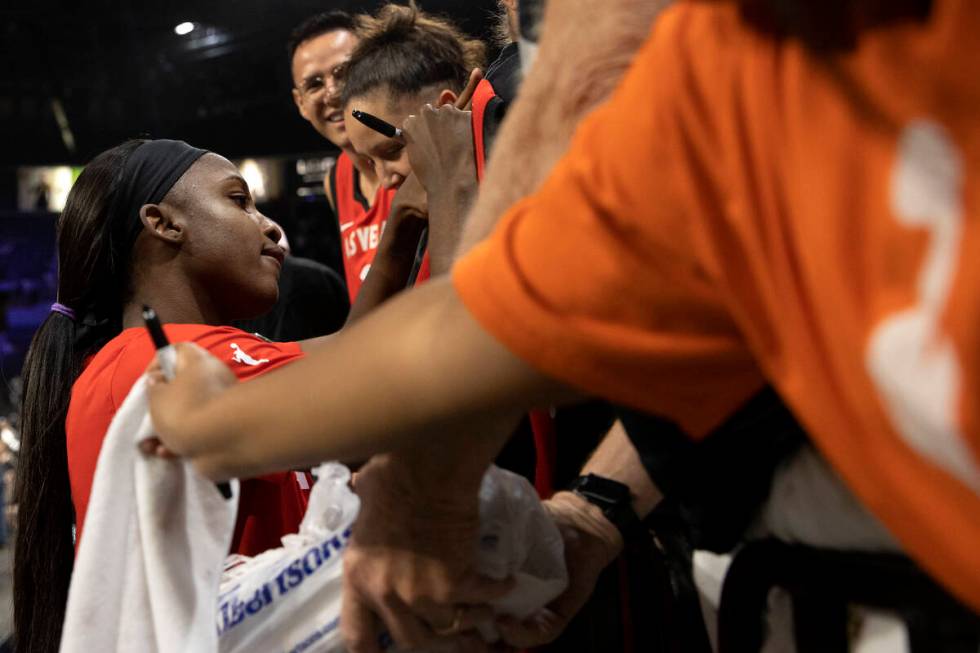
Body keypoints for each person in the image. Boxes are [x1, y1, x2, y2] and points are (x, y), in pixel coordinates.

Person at [12, 139, 336, 653]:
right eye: (238, 200)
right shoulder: (172, 361)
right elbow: (424, 363)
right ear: (164, 223)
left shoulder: (157, 357)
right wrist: (450, 183)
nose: (271, 225)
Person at [289, 11, 413, 301]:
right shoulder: (336, 180)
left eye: (343, 72)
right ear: (301, 104)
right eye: (314, 84)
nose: (332, 93)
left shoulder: (415, 152)